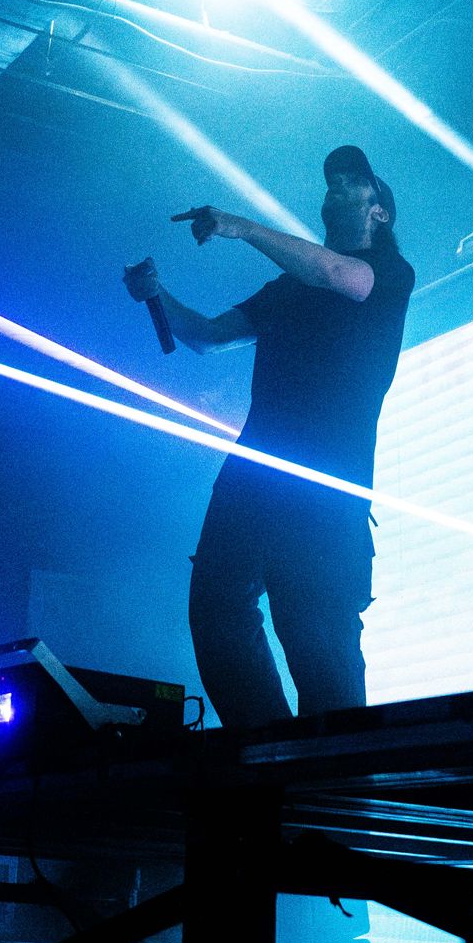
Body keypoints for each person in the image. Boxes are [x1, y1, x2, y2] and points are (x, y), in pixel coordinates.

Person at [122, 146, 414, 728]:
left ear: (379, 211)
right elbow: (207, 335)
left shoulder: (385, 274)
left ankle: (334, 789)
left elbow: (338, 275)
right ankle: (267, 747)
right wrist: (156, 295)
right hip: (254, 472)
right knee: (216, 605)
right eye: (330, 181)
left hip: (326, 484)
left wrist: (239, 225)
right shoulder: (289, 287)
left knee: (315, 631)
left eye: (352, 181)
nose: (335, 187)